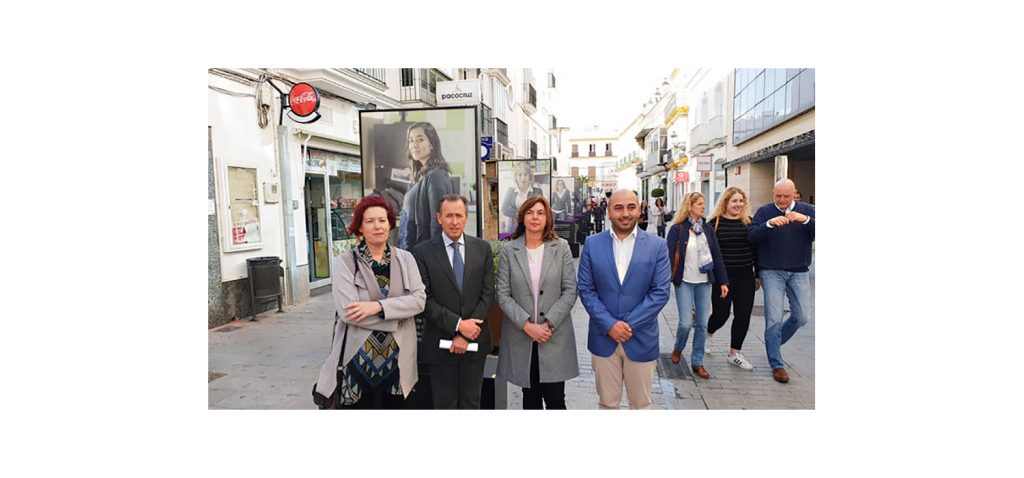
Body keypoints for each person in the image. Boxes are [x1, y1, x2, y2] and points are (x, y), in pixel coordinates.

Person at [314, 196, 426, 409]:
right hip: (357, 362)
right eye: (370, 221)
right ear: (360, 228)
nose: (378, 226)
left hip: (398, 362)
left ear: (390, 224)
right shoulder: (345, 263)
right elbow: (349, 313)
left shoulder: (406, 259)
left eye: (382, 220)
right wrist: (398, 314)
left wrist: (377, 307)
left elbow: (419, 301)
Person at [577, 189, 670, 409]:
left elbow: (660, 292)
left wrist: (627, 326)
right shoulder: (592, 244)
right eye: (618, 208)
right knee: (608, 405)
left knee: (641, 405)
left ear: (640, 210)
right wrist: (610, 325)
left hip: (640, 337)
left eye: (631, 207)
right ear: (608, 212)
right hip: (603, 337)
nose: (625, 213)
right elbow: (586, 289)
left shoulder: (657, 246)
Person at [496, 196, 579, 409]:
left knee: (555, 400)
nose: (535, 217)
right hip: (522, 336)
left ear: (548, 218)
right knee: (529, 398)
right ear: (522, 217)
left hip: (553, 335)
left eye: (540, 212)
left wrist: (548, 324)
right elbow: (503, 294)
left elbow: (570, 290)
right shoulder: (509, 250)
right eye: (530, 212)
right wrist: (527, 325)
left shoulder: (561, 248)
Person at [412, 195, 495, 408]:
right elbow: (425, 300)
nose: (454, 221)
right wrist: (458, 326)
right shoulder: (422, 252)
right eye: (449, 215)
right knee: (444, 405)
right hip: (440, 346)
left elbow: (487, 294)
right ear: (439, 218)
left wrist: (468, 332)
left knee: (471, 403)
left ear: (467, 217)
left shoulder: (482, 249)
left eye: (459, 215)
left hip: (475, 342)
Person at [749, 179, 815, 383]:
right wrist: (768, 224)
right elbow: (751, 237)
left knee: (802, 317)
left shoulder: (808, 211)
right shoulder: (764, 212)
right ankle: (776, 364)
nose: (782, 200)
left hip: (799, 271)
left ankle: (773, 344)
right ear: (773, 193)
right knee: (774, 318)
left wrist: (805, 220)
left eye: (786, 196)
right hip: (771, 271)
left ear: (795, 193)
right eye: (778, 196)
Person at [666, 192, 729, 379]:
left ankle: (697, 361)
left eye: (703, 203)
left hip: (704, 282)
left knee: (702, 324)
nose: (703, 206)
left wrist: (723, 281)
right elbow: (668, 256)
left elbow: (716, 256)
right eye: (700, 204)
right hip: (684, 282)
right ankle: (678, 348)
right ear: (690, 206)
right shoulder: (677, 229)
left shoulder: (708, 229)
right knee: (685, 323)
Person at [705, 187, 760, 371]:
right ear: (725, 203)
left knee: (743, 315)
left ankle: (735, 353)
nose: (738, 204)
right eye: (734, 201)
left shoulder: (749, 223)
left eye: (741, 201)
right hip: (723, 277)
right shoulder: (714, 224)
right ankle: (708, 332)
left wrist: (757, 275)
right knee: (721, 314)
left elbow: (756, 251)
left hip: (745, 275)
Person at [398, 122, 453, 250]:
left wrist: (433, 256)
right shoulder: (420, 175)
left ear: (432, 144)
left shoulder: (436, 175)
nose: (414, 145)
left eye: (420, 140)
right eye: (411, 141)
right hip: (410, 249)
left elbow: (438, 222)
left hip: (423, 252)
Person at [501, 162, 543, 236]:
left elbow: (541, 210)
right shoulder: (510, 191)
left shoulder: (537, 191)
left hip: (532, 225)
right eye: (520, 175)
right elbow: (504, 209)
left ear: (529, 176)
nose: (522, 178)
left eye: (525, 174)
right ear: (516, 177)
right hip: (513, 226)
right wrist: (521, 214)